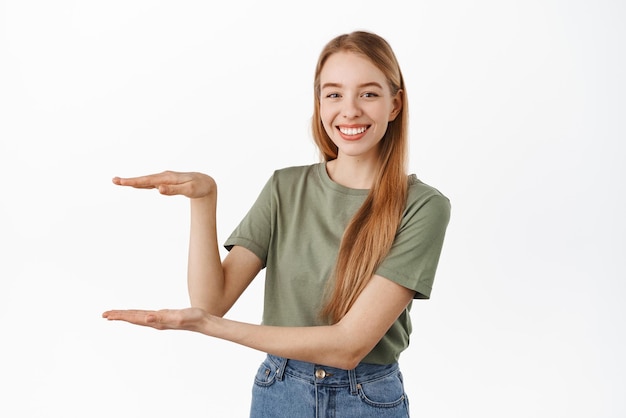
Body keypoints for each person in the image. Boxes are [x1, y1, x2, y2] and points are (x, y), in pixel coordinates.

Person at [103, 30, 450, 418]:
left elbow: (348, 346)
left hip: (366, 399)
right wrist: (204, 201)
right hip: (280, 392)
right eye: (333, 94)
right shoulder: (284, 188)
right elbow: (211, 302)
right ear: (319, 103)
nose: (349, 109)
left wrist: (209, 327)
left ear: (394, 104)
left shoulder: (423, 206)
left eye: (368, 93)